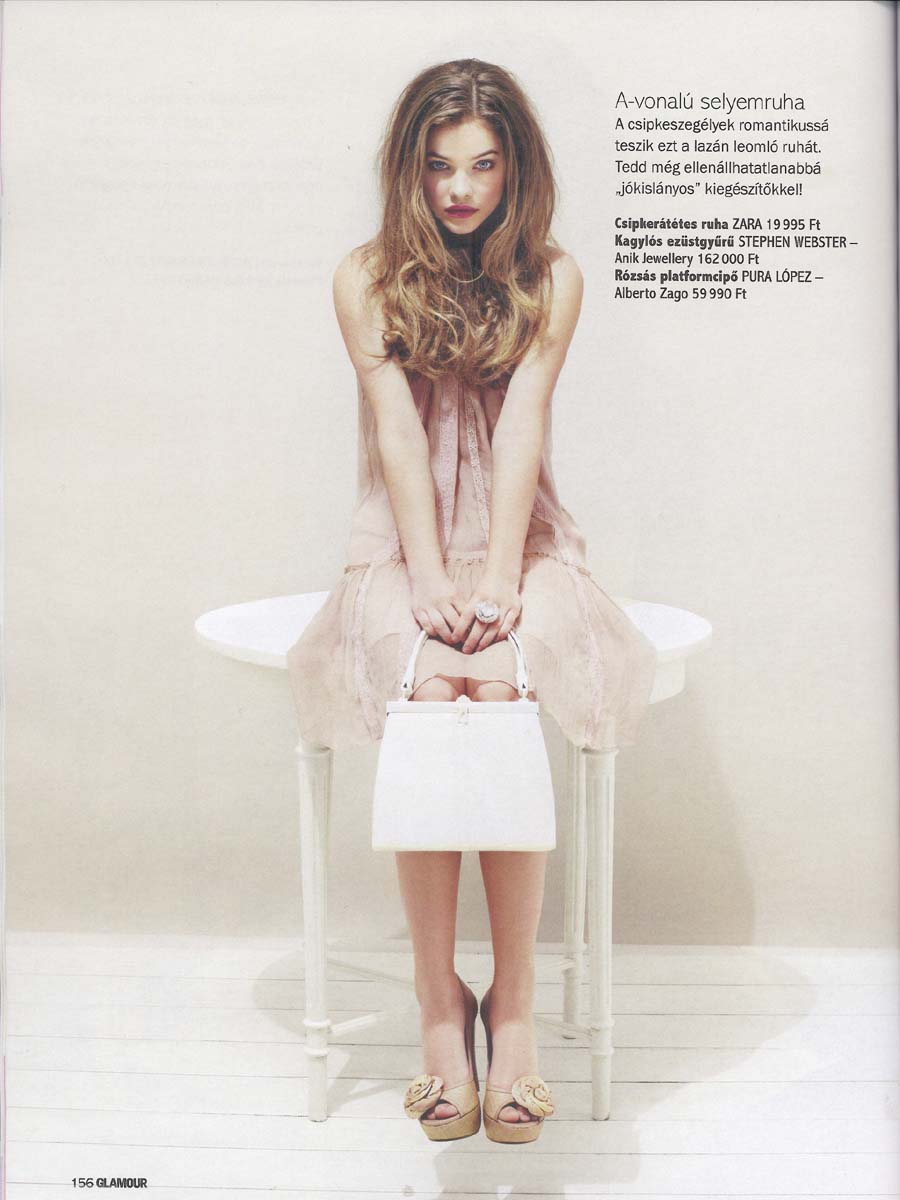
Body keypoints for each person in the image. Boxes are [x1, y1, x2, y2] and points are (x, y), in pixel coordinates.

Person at [286, 59, 658, 1143]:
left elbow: (523, 423)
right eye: (440, 166)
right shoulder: (366, 276)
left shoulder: (552, 276)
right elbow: (400, 434)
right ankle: (439, 1003)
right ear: (409, 169)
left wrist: (498, 576)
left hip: (518, 532)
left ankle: (517, 1006)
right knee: (428, 692)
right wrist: (429, 578)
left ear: (515, 169)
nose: (460, 189)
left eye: (484, 165)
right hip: (401, 537)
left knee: (497, 688)